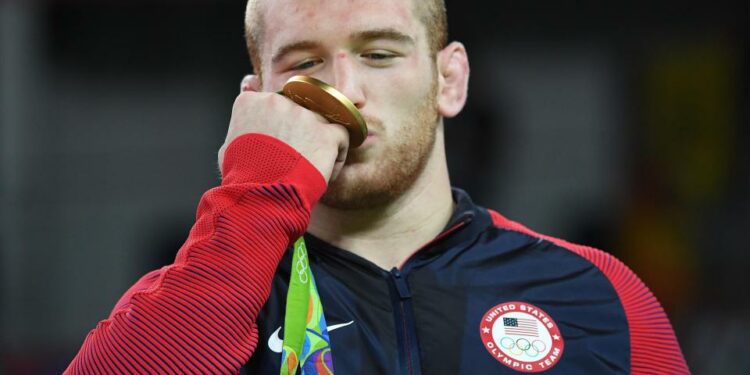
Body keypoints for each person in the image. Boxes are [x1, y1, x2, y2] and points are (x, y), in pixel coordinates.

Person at [66, 0, 690, 374]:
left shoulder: (597, 294)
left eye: (380, 55)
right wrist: (255, 192)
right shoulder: (208, 293)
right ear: (254, 100)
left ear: (450, 80)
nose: (345, 93)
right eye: (304, 64)